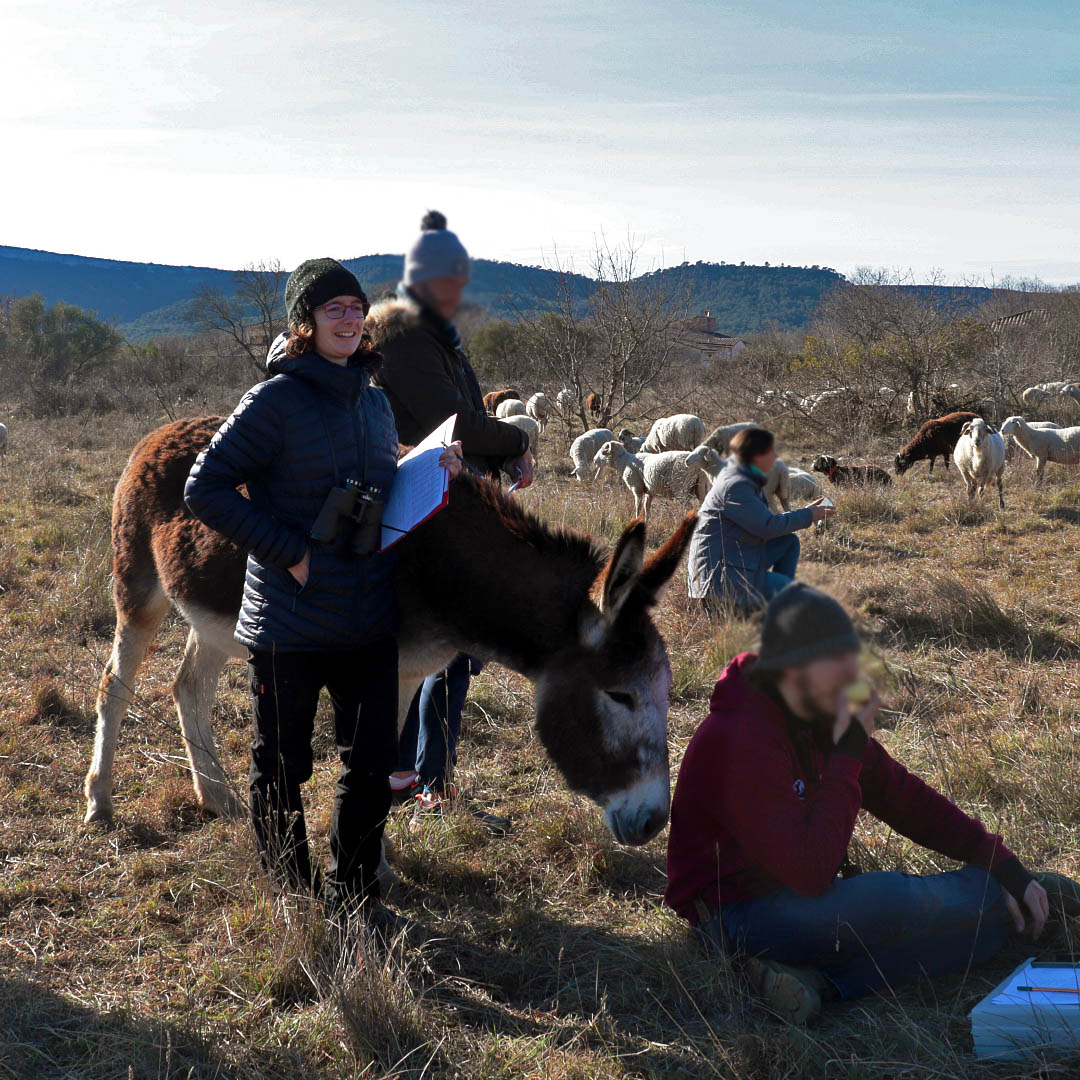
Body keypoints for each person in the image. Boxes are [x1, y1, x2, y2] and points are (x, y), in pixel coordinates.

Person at [184, 257, 462, 935]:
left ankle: (354, 896)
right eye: (332, 308)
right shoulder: (273, 401)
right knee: (282, 766)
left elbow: (382, 482)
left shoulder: (374, 402)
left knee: (368, 767)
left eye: (355, 307)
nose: (348, 318)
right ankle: (292, 898)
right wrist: (290, 553)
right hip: (291, 620)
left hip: (368, 613)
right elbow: (205, 486)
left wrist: (431, 467)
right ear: (304, 323)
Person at [665, 583, 1080, 1022]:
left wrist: (1001, 862)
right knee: (890, 900)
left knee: (930, 929)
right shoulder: (741, 739)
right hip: (731, 915)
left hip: (792, 900)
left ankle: (812, 980)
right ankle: (1004, 903)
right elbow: (811, 871)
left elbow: (907, 800)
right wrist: (847, 754)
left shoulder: (815, 713)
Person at [367, 211, 532, 814]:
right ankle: (421, 783)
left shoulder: (436, 337)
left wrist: (504, 454)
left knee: (444, 652)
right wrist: (518, 440)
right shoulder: (408, 340)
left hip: (446, 502)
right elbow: (456, 422)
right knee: (440, 649)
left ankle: (423, 779)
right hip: (425, 512)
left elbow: (468, 419)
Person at [687, 427, 833, 611]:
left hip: (733, 559)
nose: (775, 457)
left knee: (788, 541)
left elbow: (763, 522)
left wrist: (807, 511)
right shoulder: (736, 486)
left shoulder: (742, 480)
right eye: (770, 452)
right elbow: (767, 526)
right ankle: (765, 603)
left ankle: (775, 603)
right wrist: (809, 515)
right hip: (719, 579)